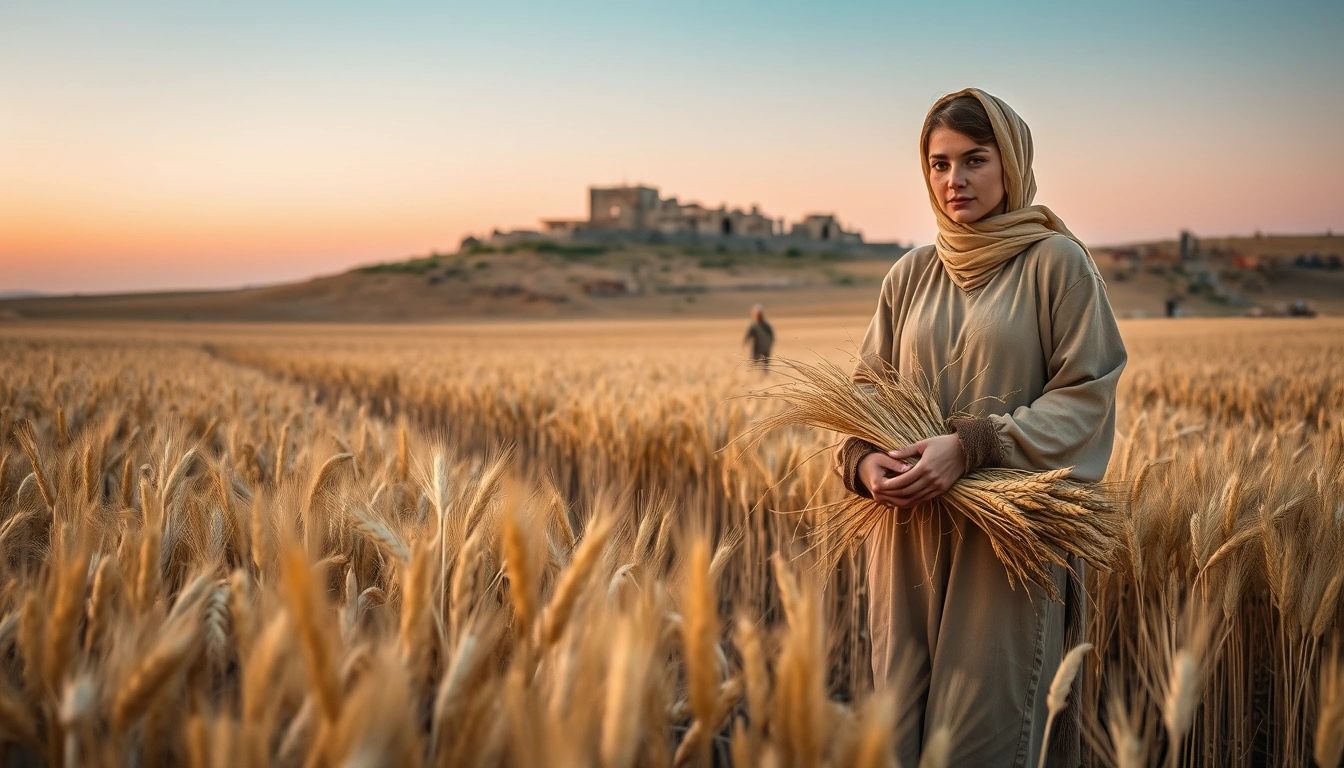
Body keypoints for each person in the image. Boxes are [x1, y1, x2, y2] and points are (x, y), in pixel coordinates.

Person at [834, 89, 1126, 767]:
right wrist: (861, 460)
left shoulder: (1057, 263)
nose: (953, 181)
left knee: (988, 731)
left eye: (974, 160)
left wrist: (973, 447)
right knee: (901, 729)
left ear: (1012, 163)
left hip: (1006, 543)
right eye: (938, 164)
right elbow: (865, 394)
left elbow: (1087, 398)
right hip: (904, 534)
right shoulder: (908, 275)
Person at [742, 304, 775, 371]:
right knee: (754, 364)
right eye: (756, 314)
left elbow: (771, 336)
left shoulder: (766, 325)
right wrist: (745, 342)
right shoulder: (754, 325)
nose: (758, 315)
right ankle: (755, 377)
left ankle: (765, 379)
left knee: (765, 366)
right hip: (756, 348)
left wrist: (769, 344)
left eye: (759, 314)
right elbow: (748, 335)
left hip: (765, 348)